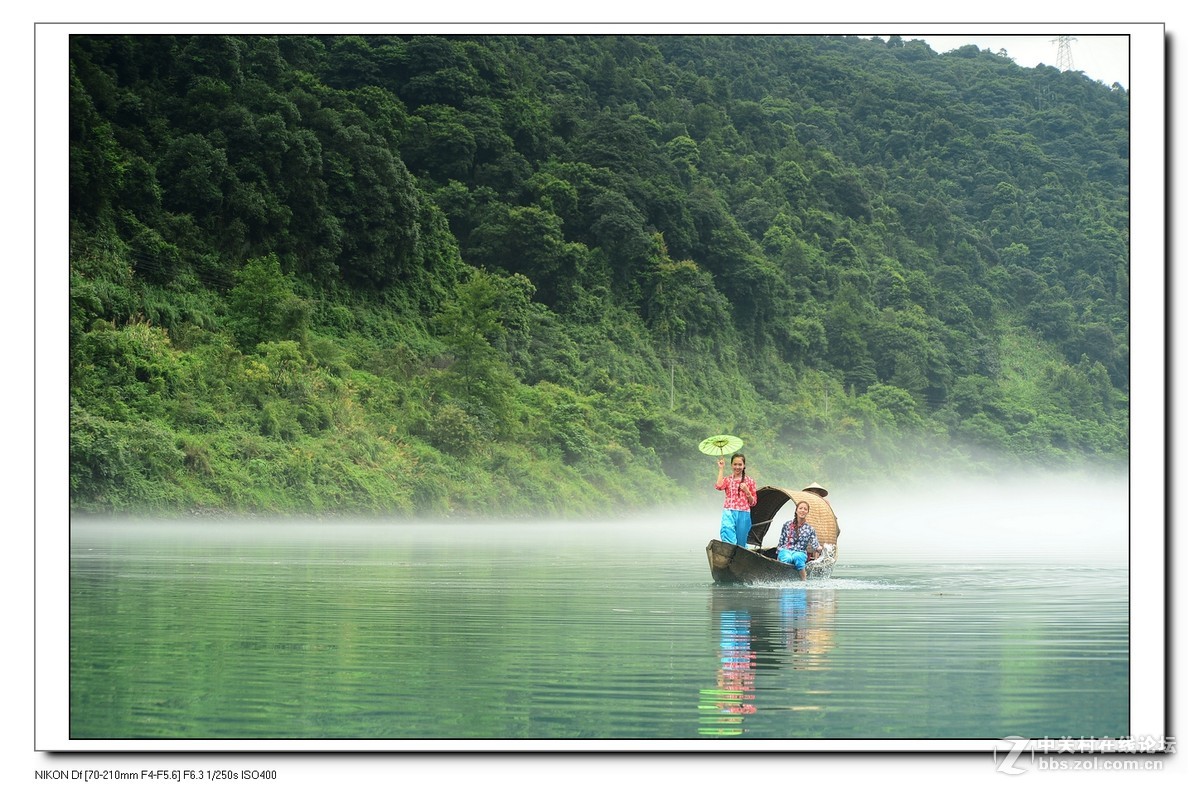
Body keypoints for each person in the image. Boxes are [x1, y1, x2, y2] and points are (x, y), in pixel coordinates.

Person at [715, 453, 757, 547]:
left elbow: (753, 502)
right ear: (731, 465)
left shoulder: (750, 481)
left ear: (744, 465)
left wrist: (747, 491)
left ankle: (742, 554)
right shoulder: (728, 480)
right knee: (727, 530)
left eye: (740, 464)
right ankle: (729, 554)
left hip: (744, 513)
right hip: (729, 511)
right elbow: (718, 486)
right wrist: (721, 468)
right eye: (735, 464)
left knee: (740, 543)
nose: (737, 467)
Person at [777, 500, 822, 580]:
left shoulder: (810, 529)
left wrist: (820, 548)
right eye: (800, 508)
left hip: (800, 552)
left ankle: (804, 581)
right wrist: (778, 553)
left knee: (798, 557)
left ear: (807, 512)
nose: (803, 510)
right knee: (787, 558)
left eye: (805, 509)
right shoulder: (787, 524)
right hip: (786, 550)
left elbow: (815, 544)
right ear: (796, 510)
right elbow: (781, 541)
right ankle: (783, 580)